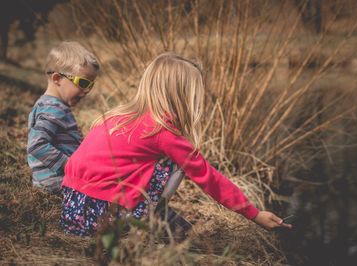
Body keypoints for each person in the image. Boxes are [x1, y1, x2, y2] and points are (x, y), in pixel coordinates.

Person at [60, 52, 292, 237]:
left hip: (73, 207)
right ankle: (156, 216)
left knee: (156, 161)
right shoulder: (162, 132)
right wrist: (254, 214)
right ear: (181, 96)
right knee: (177, 162)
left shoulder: (115, 116)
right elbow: (209, 178)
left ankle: (157, 217)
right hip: (104, 217)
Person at [27, 41, 100, 193]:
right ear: (57, 78)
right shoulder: (53, 109)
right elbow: (36, 145)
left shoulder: (47, 104)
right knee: (105, 185)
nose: (87, 90)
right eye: (83, 82)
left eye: (90, 85)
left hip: (50, 178)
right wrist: (70, 166)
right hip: (56, 179)